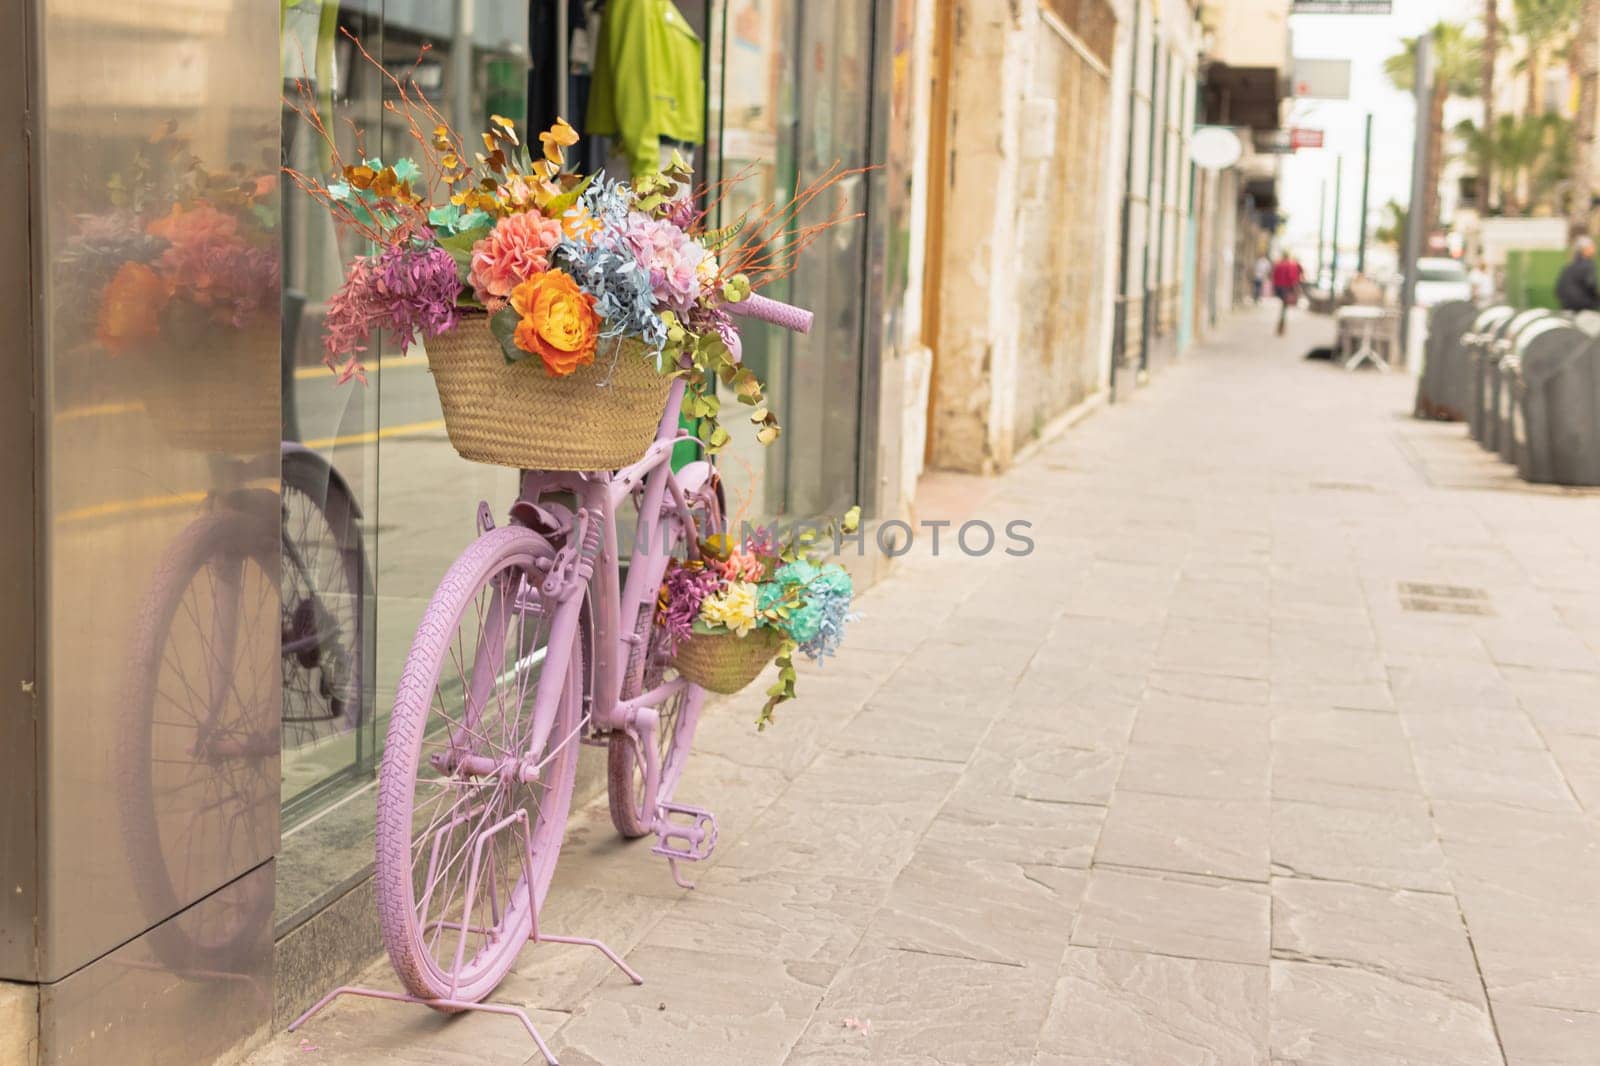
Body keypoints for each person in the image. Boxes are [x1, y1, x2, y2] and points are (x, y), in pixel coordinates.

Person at [1556, 237, 1600, 311]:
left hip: (1566, 306)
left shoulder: (1570, 265)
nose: (1595, 250)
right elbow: (1591, 285)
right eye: (1592, 247)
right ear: (1584, 250)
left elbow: (1558, 289)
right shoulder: (1588, 265)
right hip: (1583, 306)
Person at [1272, 252, 1304, 336]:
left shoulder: (1278, 264)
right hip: (1286, 288)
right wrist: (1295, 287)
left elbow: (1274, 276)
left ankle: (1281, 326)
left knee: (1283, 306)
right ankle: (1281, 326)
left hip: (1278, 287)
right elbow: (1292, 277)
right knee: (1284, 307)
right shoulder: (1290, 265)